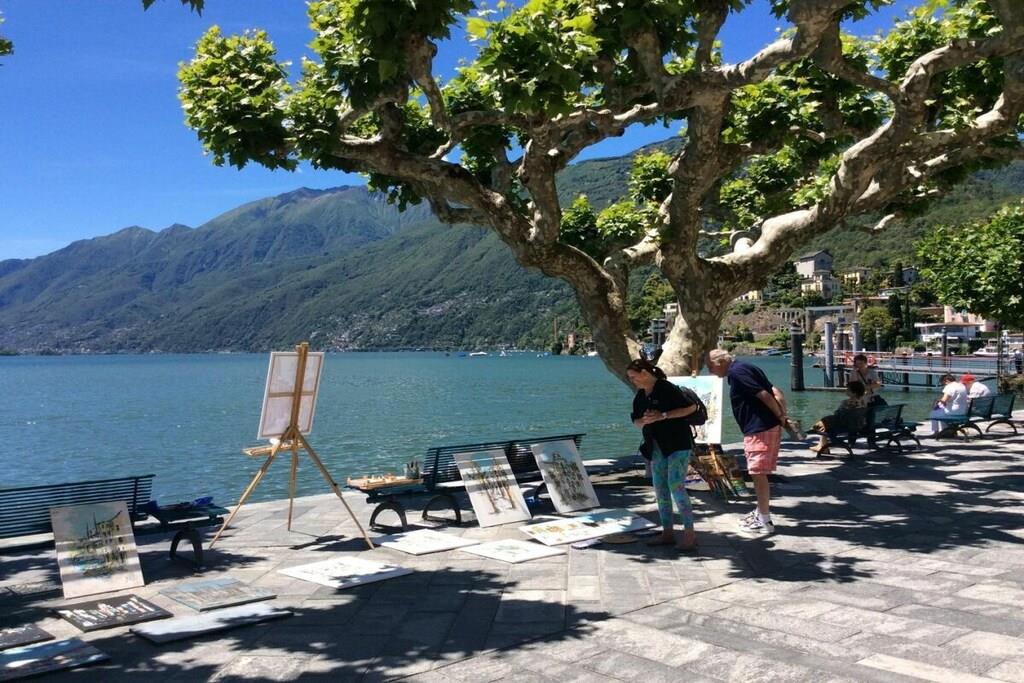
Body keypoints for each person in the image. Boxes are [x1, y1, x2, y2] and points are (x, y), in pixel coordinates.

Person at [707, 349, 785, 536]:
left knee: (757, 473)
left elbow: (765, 395)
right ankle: (760, 512)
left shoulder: (736, 372)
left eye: (710, 367)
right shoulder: (747, 366)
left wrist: (780, 416)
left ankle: (765, 520)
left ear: (719, 362)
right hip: (765, 426)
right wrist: (782, 414)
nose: (710, 371)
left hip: (759, 428)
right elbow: (775, 391)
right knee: (759, 472)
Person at [627, 358, 699, 552]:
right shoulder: (640, 395)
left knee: (676, 486)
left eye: (634, 377)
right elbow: (635, 420)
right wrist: (644, 421)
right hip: (656, 448)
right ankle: (667, 532)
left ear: (644, 373)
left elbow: (691, 407)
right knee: (660, 488)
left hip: (678, 445)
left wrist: (663, 415)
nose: (633, 381)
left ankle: (690, 535)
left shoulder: (666, 388)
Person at [808, 380, 866, 455]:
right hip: (858, 425)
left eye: (848, 390)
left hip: (846, 426)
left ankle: (814, 432)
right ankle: (820, 444)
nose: (846, 391)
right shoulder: (863, 401)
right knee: (825, 422)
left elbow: (838, 414)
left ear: (854, 393)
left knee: (826, 424)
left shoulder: (846, 402)